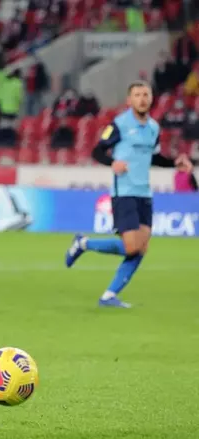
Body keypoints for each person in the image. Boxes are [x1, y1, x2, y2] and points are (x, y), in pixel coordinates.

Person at [65, 81, 193, 308]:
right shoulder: (120, 124)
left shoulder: (153, 128)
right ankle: (84, 243)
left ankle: (109, 296)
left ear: (151, 99)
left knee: (141, 248)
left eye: (146, 95)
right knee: (133, 246)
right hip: (124, 191)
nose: (142, 99)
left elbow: (153, 157)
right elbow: (97, 151)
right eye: (137, 95)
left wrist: (175, 162)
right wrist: (112, 162)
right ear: (129, 100)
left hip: (145, 193)